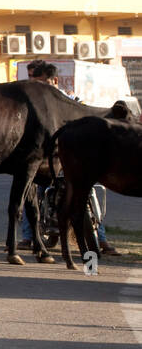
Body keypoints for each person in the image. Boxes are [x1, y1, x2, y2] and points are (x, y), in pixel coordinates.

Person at [18, 62, 119, 254]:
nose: (39, 86)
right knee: (34, 191)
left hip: (73, 157)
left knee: (91, 192)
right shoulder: (35, 105)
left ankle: (102, 239)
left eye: (43, 82)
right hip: (47, 158)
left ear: (54, 81)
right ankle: (28, 236)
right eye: (34, 81)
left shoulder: (72, 100)